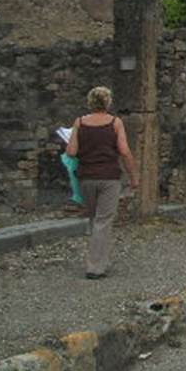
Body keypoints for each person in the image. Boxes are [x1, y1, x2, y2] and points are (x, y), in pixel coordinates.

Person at [65, 86, 140, 279]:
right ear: (108, 102)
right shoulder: (115, 123)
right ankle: (95, 266)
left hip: (86, 177)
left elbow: (71, 151)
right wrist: (133, 175)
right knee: (103, 220)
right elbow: (124, 151)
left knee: (95, 218)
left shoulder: (80, 122)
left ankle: (100, 257)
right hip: (109, 177)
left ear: (90, 102)